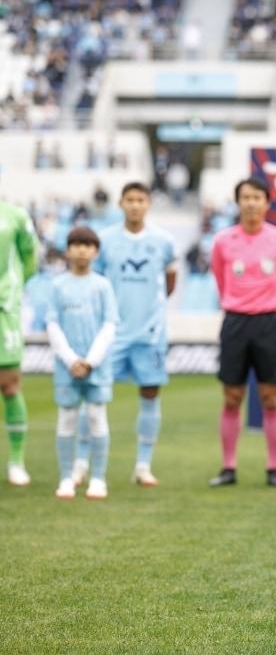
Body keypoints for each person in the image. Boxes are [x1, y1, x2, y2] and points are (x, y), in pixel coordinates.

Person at [77, 183, 176, 487]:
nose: (135, 205)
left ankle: (143, 465)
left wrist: (151, 312)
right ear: (120, 203)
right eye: (130, 200)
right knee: (94, 394)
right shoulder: (105, 240)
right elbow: (97, 284)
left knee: (149, 393)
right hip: (112, 333)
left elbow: (170, 281)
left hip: (149, 333)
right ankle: (81, 462)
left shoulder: (164, 241)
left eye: (141, 200)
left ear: (148, 204)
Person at [208, 177, 276, 488]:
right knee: (232, 396)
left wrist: (270, 302)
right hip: (235, 322)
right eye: (245, 197)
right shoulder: (222, 240)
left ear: (267, 203)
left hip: (267, 323)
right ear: (238, 202)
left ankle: (273, 468)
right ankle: (228, 467)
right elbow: (220, 279)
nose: (251, 203)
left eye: (256, 197)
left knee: (270, 397)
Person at [46, 227, 118, 500]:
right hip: (67, 368)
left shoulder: (103, 285)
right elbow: (53, 325)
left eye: (87, 245)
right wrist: (71, 359)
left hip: (96, 368)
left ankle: (98, 478)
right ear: (68, 250)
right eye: (76, 244)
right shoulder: (57, 285)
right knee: (67, 419)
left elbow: (109, 325)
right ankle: (66, 477)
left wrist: (90, 361)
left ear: (95, 251)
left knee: (97, 418)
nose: (81, 250)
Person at [0, 198, 37, 486]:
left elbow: (30, 259)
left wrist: (11, 291)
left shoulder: (15, 214)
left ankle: (16, 460)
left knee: (9, 383)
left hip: (4, 309)